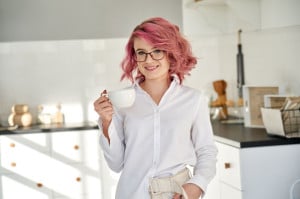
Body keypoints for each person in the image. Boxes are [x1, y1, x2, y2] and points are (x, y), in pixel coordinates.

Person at [94, 17, 218, 199]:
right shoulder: (122, 102)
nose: (148, 60)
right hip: (133, 193)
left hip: (178, 193)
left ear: (171, 53)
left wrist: (197, 185)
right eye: (141, 52)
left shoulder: (193, 99)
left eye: (157, 51)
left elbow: (206, 150)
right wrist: (106, 122)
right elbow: (116, 164)